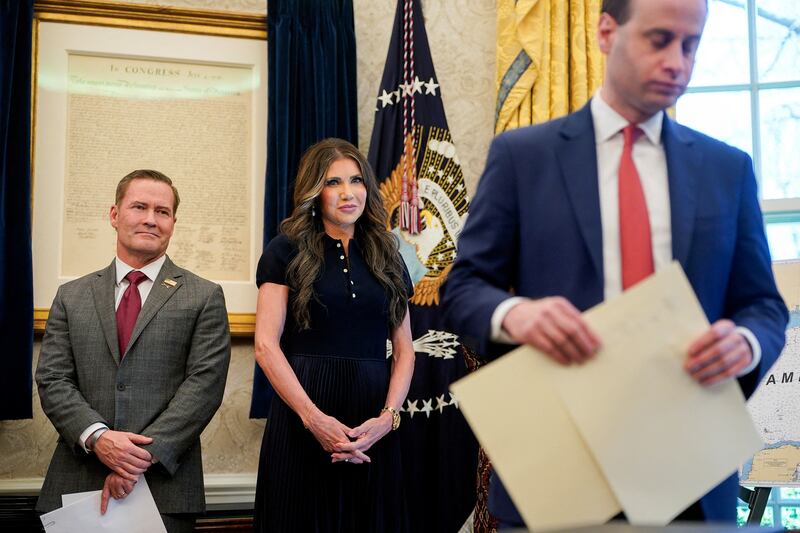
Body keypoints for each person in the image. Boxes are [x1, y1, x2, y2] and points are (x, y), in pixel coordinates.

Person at [441, 0, 788, 527]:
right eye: (659, 40)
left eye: (691, 45)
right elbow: (463, 287)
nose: (677, 62)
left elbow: (763, 305)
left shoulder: (728, 169)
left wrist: (747, 342)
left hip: (691, 471)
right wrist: (515, 314)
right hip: (559, 467)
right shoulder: (522, 157)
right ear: (607, 31)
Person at [36, 169, 231, 533]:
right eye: (139, 207)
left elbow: (204, 386)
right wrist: (99, 438)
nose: (150, 219)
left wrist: (136, 460)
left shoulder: (204, 296)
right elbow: (53, 378)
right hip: (77, 482)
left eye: (162, 211)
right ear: (114, 215)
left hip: (163, 488)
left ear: (173, 223)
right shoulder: (71, 296)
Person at [252, 138, 415, 532]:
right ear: (315, 191)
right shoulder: (284, 249)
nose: (348, 193)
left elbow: (405, 351)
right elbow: (266, 346)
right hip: (303, 420)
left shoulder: (390, 254)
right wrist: (314, 419)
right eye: (333, 182)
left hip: (372, 425)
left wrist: (388, 418)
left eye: (356, 180)